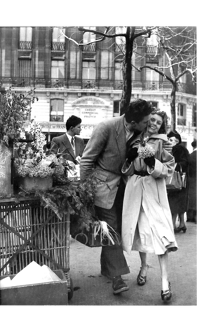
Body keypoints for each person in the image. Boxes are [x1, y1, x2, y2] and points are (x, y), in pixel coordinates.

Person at [80, 99, 154, 295]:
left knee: (116, 229)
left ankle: (108, 269)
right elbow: (87, 160)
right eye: (145, 121)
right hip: (102, 187)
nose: (148, 124)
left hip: (125, 188)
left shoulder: (140, 132)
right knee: (111, 229)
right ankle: (118, 278)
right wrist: (85, 191)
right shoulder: (106, 127)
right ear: (133, 121)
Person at [121, 109, 177, 303]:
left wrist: (153, 162)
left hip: (154, 191)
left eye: (158, 121)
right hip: (136, 190)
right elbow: (127, 172)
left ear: (162, 125)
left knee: (161, 235)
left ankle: (164, 281)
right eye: (151, 119)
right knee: (141, 231)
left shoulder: (164, 142)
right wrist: (128, 159)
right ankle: (144, 267)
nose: (153, 123)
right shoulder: (134, 140)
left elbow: (169, 168)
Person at [167, 130, 190, 233]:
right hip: (183, 180)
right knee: (180, 202)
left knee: (174, 202)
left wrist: (174, 166)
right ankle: (181, 223)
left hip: (175, 180)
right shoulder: (183, 150)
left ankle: (173, 225)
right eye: (170, 139)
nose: (172, 142)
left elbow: (182, 162)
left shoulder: (177, 149)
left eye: (175, 140)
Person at [187, 140, 199, 224]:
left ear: (193, 147)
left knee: (192, 197)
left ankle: (190, 217)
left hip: (192, 179)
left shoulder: (189, 156)